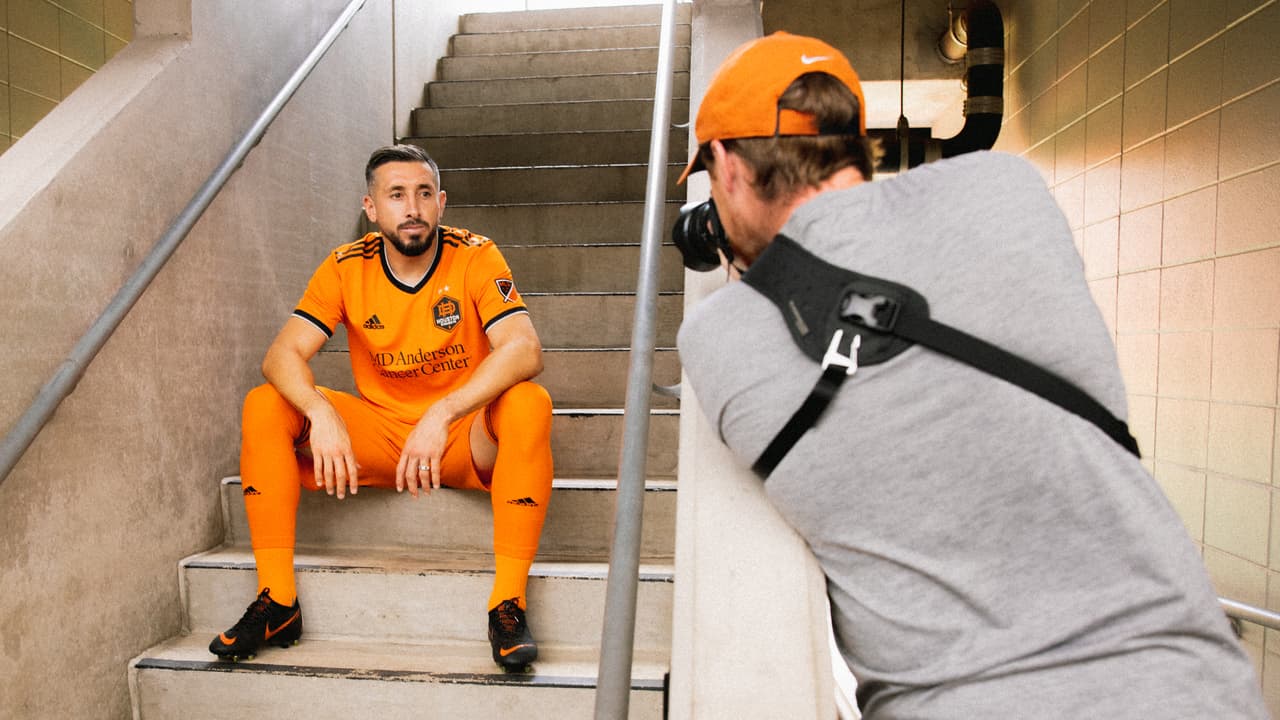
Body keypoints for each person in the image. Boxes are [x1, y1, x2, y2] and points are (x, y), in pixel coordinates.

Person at [675, 32, 1269, 718]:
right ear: (852, 141)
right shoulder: (1006, 186)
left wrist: (753, 267)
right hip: (1193, 690)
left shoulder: (718, 338)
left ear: (724, 164)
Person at [209, 144, 554, 672]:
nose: (411, 207)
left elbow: (524, 349)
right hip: (384, 439)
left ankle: (507, 603)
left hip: (462, 438)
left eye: (422, 194)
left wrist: (443, 413)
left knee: (529, 402)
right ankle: (277, 601)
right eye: (396, 195)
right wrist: (320, 413)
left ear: (440, 203)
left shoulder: (477, 255)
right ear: (371, 208)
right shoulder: (347, 266)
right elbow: (281, 354)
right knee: (266, 405)